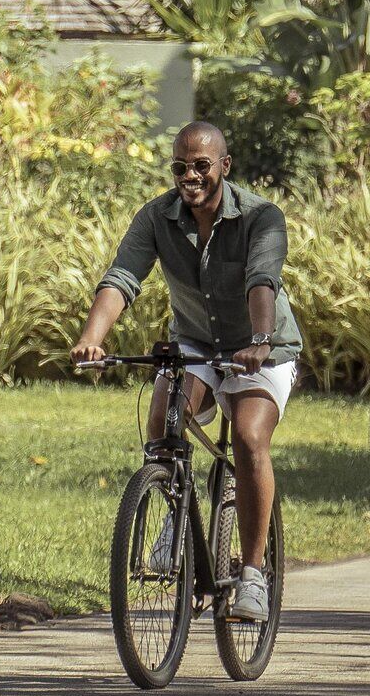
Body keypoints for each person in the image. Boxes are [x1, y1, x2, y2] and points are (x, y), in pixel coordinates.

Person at [68, 120, 298, 621]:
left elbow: (262, 279)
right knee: (164, 421)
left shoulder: (262, 216)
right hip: (196, 341)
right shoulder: (157, 217)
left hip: (262, 347)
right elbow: (123, 277)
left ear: (224, 166)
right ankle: (175, 514)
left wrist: (259, 341)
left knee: (249, 437)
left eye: (201, 166)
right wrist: (93, 339)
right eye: (180, 166)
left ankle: (253, 576)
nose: (190, 176)